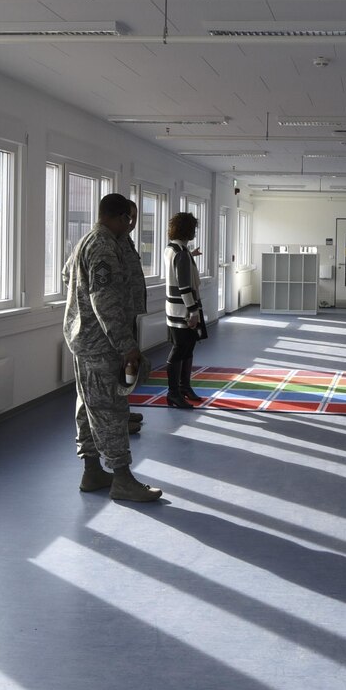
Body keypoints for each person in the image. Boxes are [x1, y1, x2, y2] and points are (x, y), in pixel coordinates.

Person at [65, 192, 162, 503]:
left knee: (88, 407)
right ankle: (122, 479)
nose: (130, 225)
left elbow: (69, 273)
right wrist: (126, 345)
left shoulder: (90, 241)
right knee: (110, 409)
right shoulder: (104, 247)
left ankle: (92, 471)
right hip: (101, 343)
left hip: (88, 340)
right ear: (123, 218)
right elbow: (104, 300)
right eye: (129, 220)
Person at [164, 211, 206, 409]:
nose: (195, 232)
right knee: (181, 348)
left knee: (188, 347)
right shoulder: (181, 253)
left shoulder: (173, 249)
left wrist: (192, 255)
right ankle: (174, 392)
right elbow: (184, 285)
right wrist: (193, 311)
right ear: (187, 230)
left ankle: (184, 387)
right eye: (193, 229)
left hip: (174, 308)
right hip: (183, 310)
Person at [117, 196, 147, 435]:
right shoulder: (109, 244)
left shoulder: (126, 241)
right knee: (116, 374)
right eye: (129, 217)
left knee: (127, 371)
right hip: (116, 322)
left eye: (135, 218)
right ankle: (118, 421)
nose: (133, 222)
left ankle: (124, 412)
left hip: (129, 317)